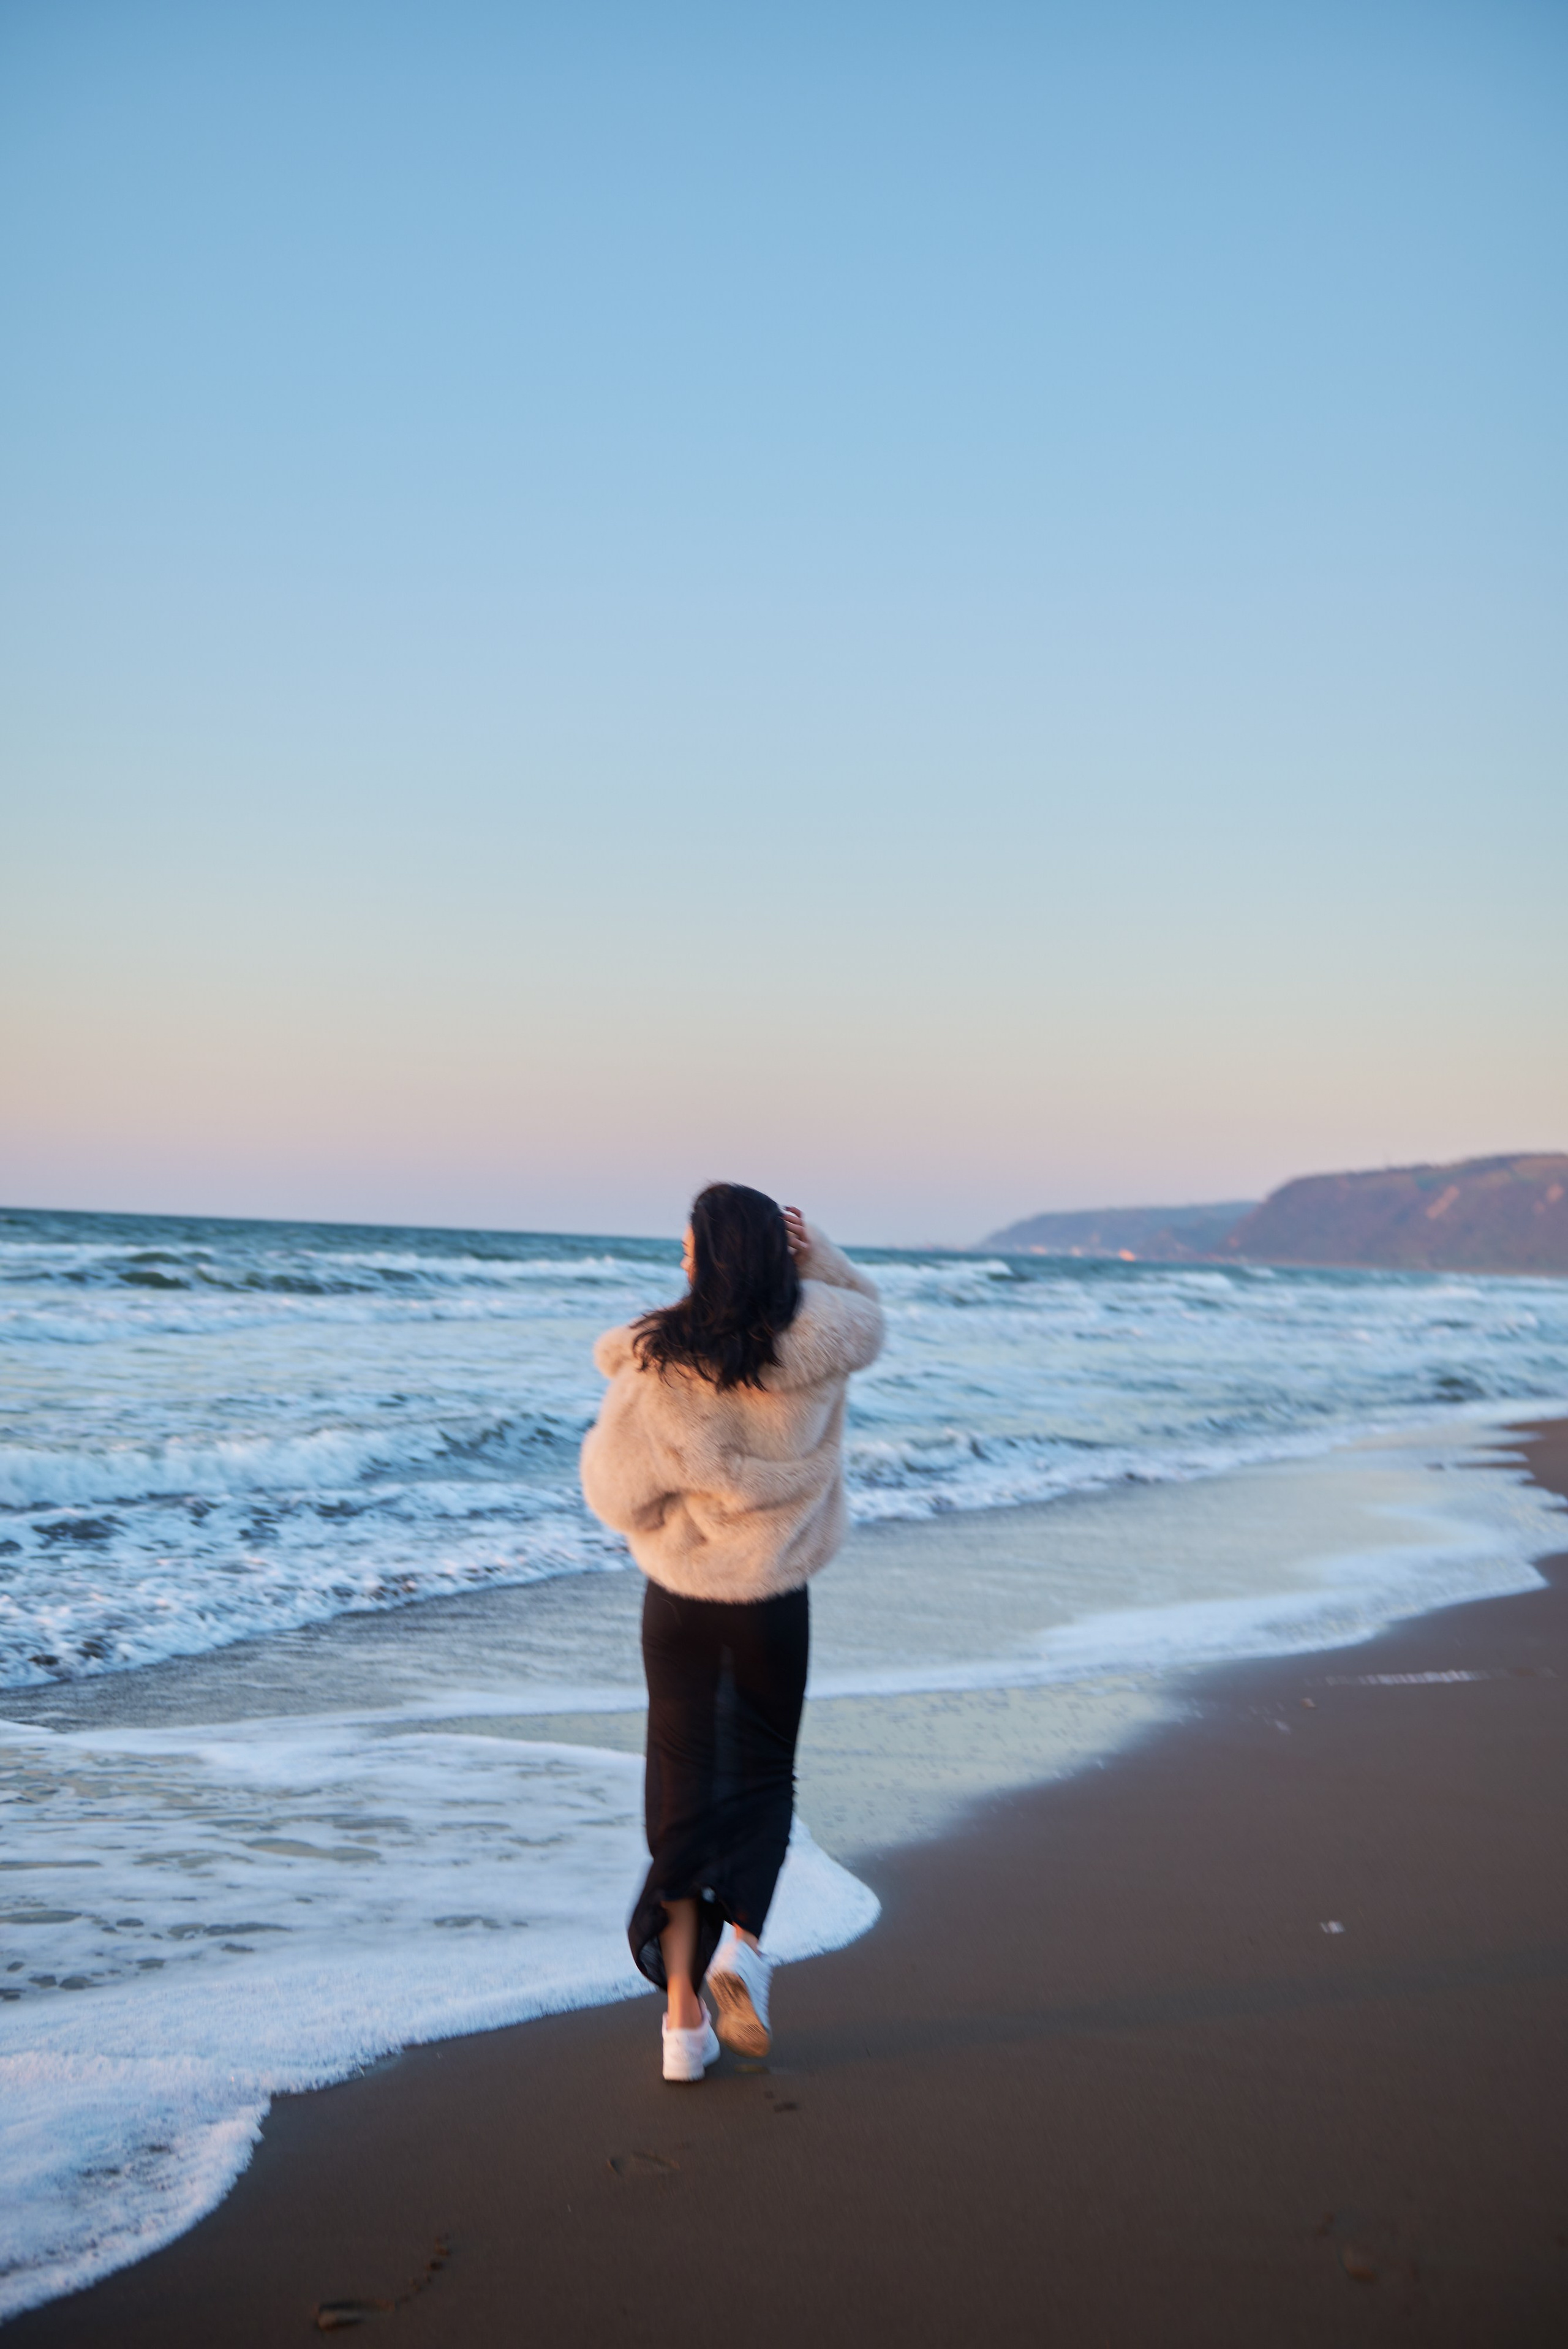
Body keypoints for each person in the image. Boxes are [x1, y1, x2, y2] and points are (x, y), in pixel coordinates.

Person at [580, 1183, 883, 2081]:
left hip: (681, 1601)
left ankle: (681, 2024)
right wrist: (817, 1250)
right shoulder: (825, 1340)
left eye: (687, 1248)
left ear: (709, 1256)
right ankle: (741, 1950)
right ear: (773, 1251)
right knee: (763, 1773)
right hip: (774, 1600)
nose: (679, 1260)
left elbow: (613, 1493)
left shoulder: (659, 1363)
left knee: (681, 1789)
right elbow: (868, 1311)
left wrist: (680, 1492)